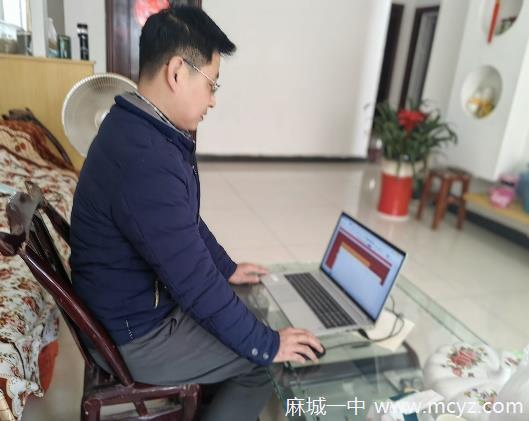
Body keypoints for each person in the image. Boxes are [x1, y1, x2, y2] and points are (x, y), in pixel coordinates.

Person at [69, 5, 323, 421]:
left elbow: (182, 222)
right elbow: (195, 286)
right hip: (135, 336)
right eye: (211, 84)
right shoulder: (146, 158)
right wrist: (268, 345)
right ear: (176, 72)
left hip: (124, 311)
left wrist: (226, 267)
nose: (213, 100)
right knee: (263, 365)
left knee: (243, 309)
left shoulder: (134, 125)